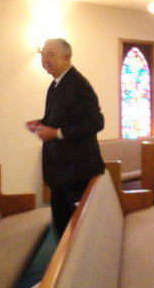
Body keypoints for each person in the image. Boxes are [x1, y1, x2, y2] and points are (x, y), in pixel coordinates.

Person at [25, 38, 105, 237]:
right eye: (43, 55)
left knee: (79, 228)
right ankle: (63, 266)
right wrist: (42, 122)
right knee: (62, 224)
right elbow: (64, 117)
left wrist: (56, 133)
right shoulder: (56, 85)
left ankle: (80, 266)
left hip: (76, 170)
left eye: (50, 55)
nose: (45, 59)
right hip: (60, 170)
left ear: (67, 57)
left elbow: (95, 123)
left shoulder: (78, 85)